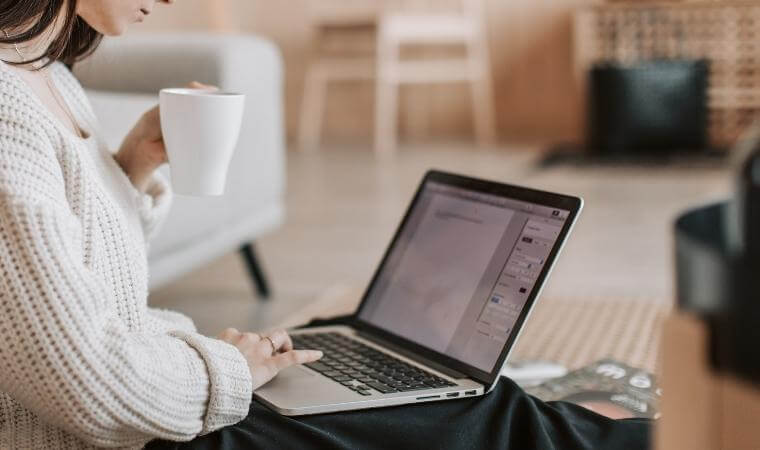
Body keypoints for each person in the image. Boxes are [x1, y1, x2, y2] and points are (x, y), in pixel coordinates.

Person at [0, 1, 651, 449]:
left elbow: (79, 278)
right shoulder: (7, 116)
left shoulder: (47, 76)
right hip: (132, 431)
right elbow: (85, 384)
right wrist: (230, 369)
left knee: (334, 356)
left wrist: (132, 167)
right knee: (487, 414)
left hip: (157, 395)